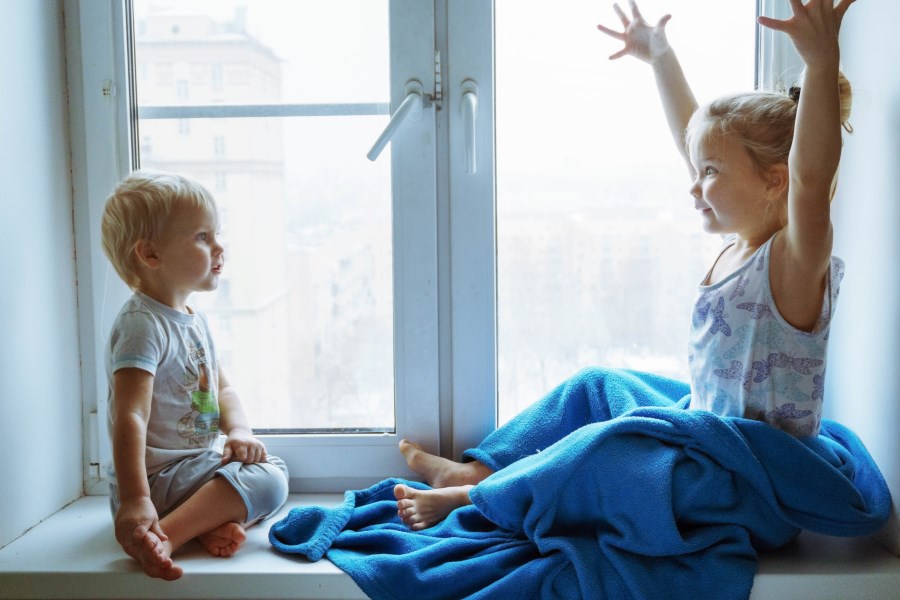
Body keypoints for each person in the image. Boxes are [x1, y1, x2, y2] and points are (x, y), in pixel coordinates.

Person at [394, 0, 856, 531]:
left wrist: (820, 62)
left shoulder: (794, 264)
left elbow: (813, 181)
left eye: (708, 172)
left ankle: (477, 498)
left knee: (609, 447)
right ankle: (472, 469)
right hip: (709, 442)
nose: (693, 182)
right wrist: (660, 56)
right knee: (595, 385)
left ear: (777, 181)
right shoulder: (741, 242)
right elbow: (696, 135)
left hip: (746, 486)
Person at [101, 170, 289, 579]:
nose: (219, 247)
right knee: (270, 480)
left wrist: (239, 430)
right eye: (202, 237)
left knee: (273, 471)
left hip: (191, 473)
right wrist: (134, 499)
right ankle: (164, 535)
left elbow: (222, 388)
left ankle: (202, 526)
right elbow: (129, 416)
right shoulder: (141, 324)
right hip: (156, 482)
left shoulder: (193, 319)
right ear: (150, 255)